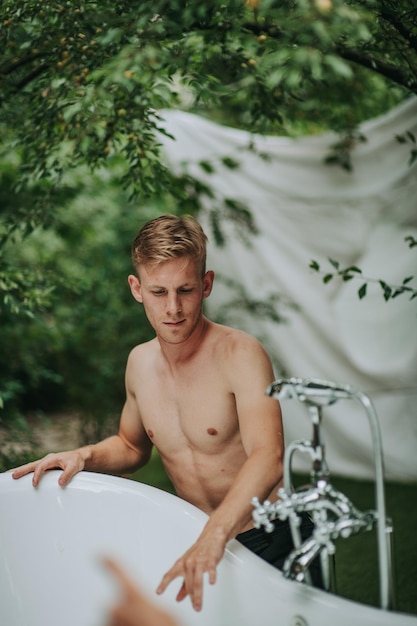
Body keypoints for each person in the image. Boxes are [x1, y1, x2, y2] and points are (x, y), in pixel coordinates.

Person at [12, 214, 321, 612]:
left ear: (206, 285)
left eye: (186, 290)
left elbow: (269, 457)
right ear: (136, 288)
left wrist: (213, 535)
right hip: (198, 535)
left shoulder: (241, 354)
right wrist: (82, 456)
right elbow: (131, 445)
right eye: (159, 292)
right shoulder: (139, 363)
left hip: (269, 536)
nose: (173, 308)